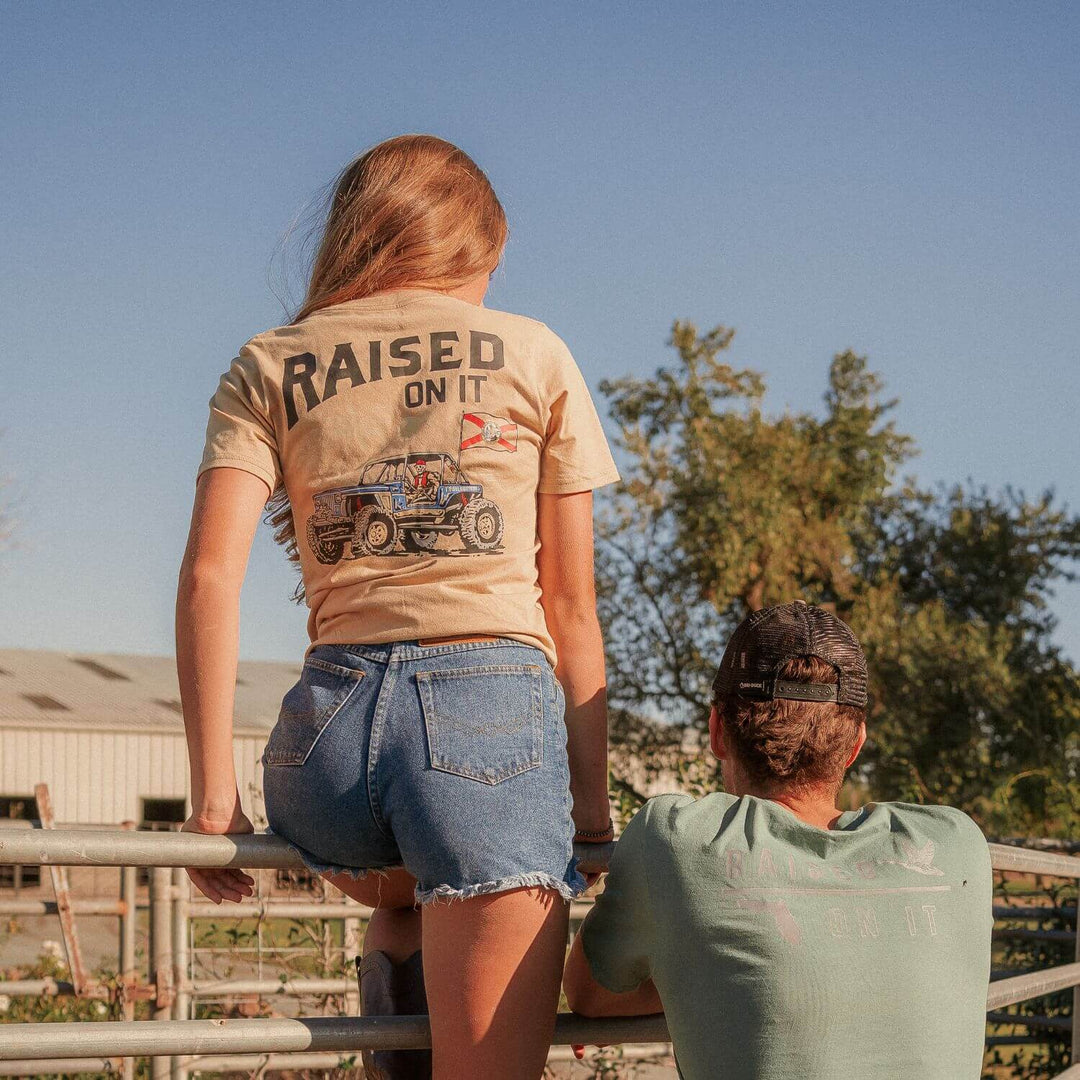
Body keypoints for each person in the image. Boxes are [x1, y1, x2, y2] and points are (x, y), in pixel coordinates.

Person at [176, 134, 620, 1080]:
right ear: (472, 250)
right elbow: (571, 609)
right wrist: (586, 810)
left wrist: (213, 799)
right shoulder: (536, 352)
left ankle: (399, 1018)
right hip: (487, 730)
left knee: (406, 889)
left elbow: (211, 579)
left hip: (326, 746)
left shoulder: (271, 361)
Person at [563, 601, 993, 1080]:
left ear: (716, 731)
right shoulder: (957, 846)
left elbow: (590, 993)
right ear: (855, 745)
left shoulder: (677, 837)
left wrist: (708, 973)